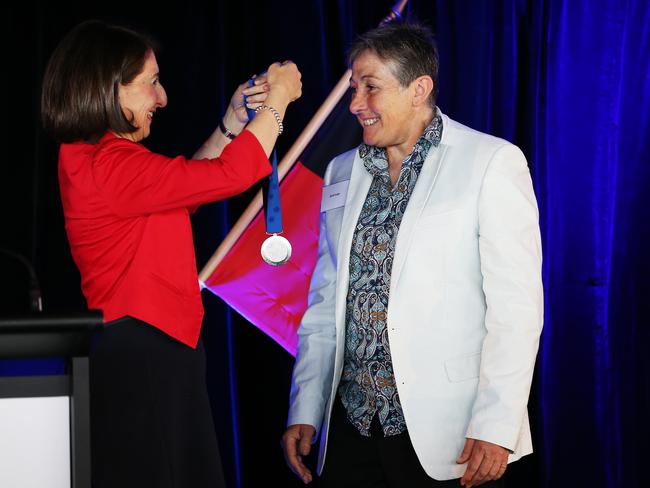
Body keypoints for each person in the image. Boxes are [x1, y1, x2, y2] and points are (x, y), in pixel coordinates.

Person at [41, 20, 301, 488]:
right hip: (145, 356)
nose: (162, 99)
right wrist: (278, 102)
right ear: (111, 90)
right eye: (151, 84)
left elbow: (190, 187)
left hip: (147, 353)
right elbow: (231, 175)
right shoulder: (109, 164)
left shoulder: (95, 157)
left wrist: (232, 123)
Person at [281, 21, 542, 488]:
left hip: (452, 435)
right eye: (354, 87)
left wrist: (496, 425)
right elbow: (324, 301)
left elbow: (517, 311)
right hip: (351, 431)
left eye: (371, 88)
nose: (356, 103)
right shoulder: (341, 171)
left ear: (419, 88)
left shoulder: (491, 161)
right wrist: (307, 407)